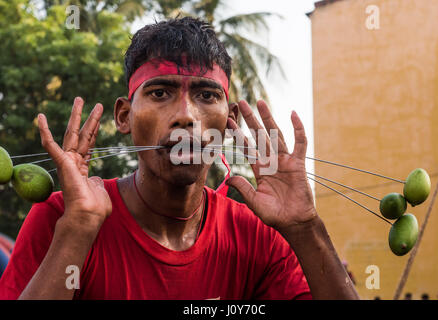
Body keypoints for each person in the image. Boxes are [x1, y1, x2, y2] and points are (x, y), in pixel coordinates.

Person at [0, 17, 359, 300]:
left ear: (229, 120)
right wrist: (77, 230)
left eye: (206, 95)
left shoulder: (259, 236)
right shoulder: (62, 217)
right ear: (124, 116)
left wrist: (305, 227)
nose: (186, 115)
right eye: (160, 93)